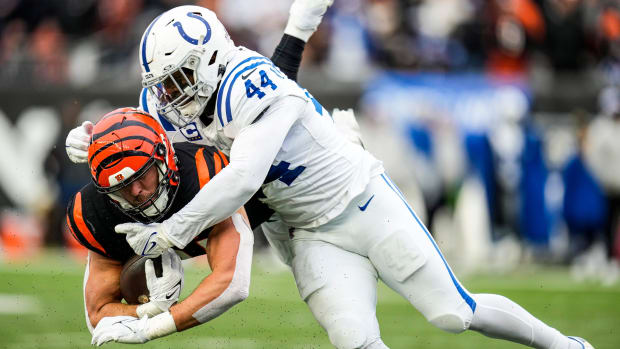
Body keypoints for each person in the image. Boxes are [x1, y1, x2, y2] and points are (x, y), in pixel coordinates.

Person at [66, 3, 594, 349]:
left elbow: (246, 177)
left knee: (453, 313)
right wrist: (91, 139)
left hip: (359, 201)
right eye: (162, 82)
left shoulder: (252, 83)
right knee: (356, 342)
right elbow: (136, 138)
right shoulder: (173, 99)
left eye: (179, 77)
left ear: (210, 62)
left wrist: (171, 233)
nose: (168, 92)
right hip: (304, 231)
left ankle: (566, 347)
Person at [67, 108, 258, 345]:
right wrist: (148, 310)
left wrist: (152, 328)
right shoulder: (96, 211)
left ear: (164, 158)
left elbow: (233, 283)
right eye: (121, 187)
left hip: (279, 198)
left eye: (141, 175)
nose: (135, 191)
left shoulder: (205, 174)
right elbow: (98, 316)